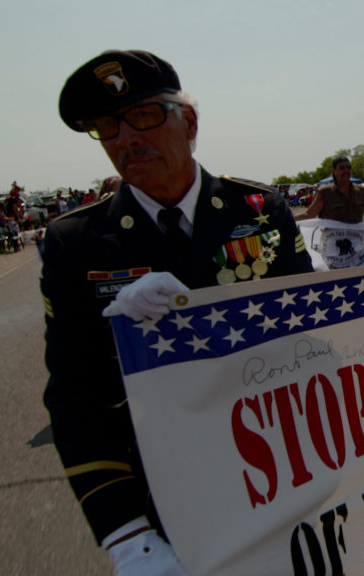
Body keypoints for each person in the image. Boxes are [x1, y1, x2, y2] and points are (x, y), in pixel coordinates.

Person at [43, 50, 314, 576]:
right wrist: (128, 538)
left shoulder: (258, 212)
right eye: (107, 126)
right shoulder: (76, 243)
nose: (125, 139)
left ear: (187, 121)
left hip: (283, 471)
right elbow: (75, 396)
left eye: (143, 116)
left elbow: (306, 334)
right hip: (166, 495)